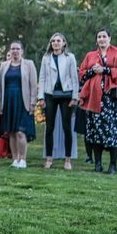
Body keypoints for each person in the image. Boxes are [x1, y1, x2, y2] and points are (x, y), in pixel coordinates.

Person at [78, 27, 117, 175]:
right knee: (94, 130)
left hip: (112, 100)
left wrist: (105, 70)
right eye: (99, 37)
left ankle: (113, 165)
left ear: (109, 38)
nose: (101, 39)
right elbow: (81, 73)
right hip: (94, 99)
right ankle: (98, 163)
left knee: (113, 130)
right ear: (96, 40)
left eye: (104, 36)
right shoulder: (90, 55)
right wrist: (92, 71)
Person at [37, 33, 79, 170]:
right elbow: (42, 77)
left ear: (64, 43)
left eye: (58, 41)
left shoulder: (70, 57)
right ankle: (49, 158)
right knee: (49, 128)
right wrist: (41, 97)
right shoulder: (46, 58)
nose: (55, 43)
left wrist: (75, 97)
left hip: (66, 94)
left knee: (67, 128)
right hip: (50, 94)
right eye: (53, 41)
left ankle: (67, 159)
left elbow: (74, 77)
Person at [0, 40, 38, 169]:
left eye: (17, 49)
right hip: (8, 101)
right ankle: (15, 159)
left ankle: (23, 159)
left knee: (21, 132)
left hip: (23, 101)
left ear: (21, 51)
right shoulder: (4, 65)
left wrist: (33, 102)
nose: (15, 51)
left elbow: (34, 85)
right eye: (12, 49)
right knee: (12, 132)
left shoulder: (29, 64)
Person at [0, 51, 12, 159]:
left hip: (14, 100)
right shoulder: (2, 69)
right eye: (8, 55)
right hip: (4, 102)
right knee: (4, 128)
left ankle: (13, 151)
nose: (10, 57)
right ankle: (4, 150)